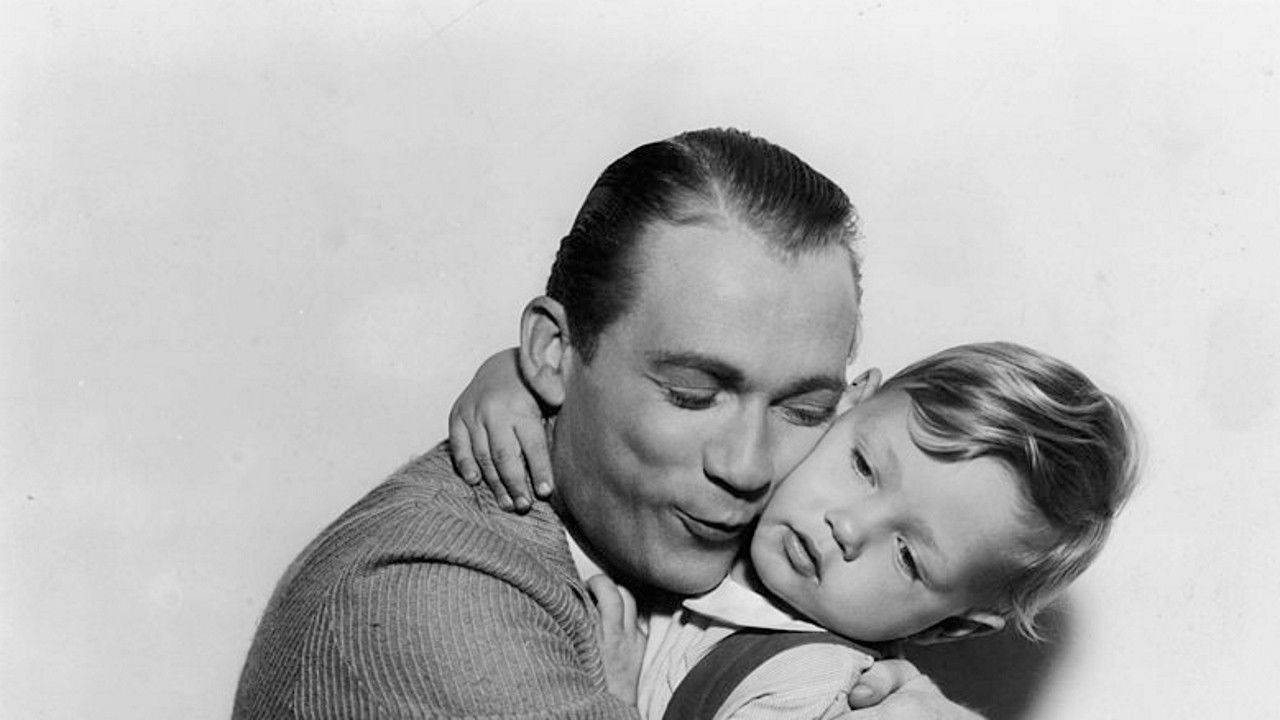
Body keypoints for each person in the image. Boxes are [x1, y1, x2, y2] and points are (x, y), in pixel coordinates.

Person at [234, 127, 974, 718]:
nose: (749, 467)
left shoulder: (677, 536)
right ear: (551, 353)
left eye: (803, 409)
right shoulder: (434, 601)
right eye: (691, 393)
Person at [449, 341, 1139, 719]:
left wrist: (613, 706)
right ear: (847, 403)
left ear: (950, 628)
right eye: (863, 466)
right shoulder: (725, 499)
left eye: (907, 555)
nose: (848, 527)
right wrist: (512, 382)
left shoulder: (819, 695)